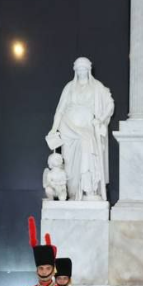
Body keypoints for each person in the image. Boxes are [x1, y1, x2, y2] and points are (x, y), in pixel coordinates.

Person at [48, 57, 115, 201]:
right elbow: (60, 110)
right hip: (67, 127)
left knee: (88, 150)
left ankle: (88, 190)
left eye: (84, 69)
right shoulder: (69, 87)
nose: (81, 71)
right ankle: (72, 194)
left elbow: (110, 104)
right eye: (78, 69)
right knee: (70, 163)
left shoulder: (97, 87)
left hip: (87, 127)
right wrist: (54, 129)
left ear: (89, 70)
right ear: (75, 71)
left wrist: (101, 119)